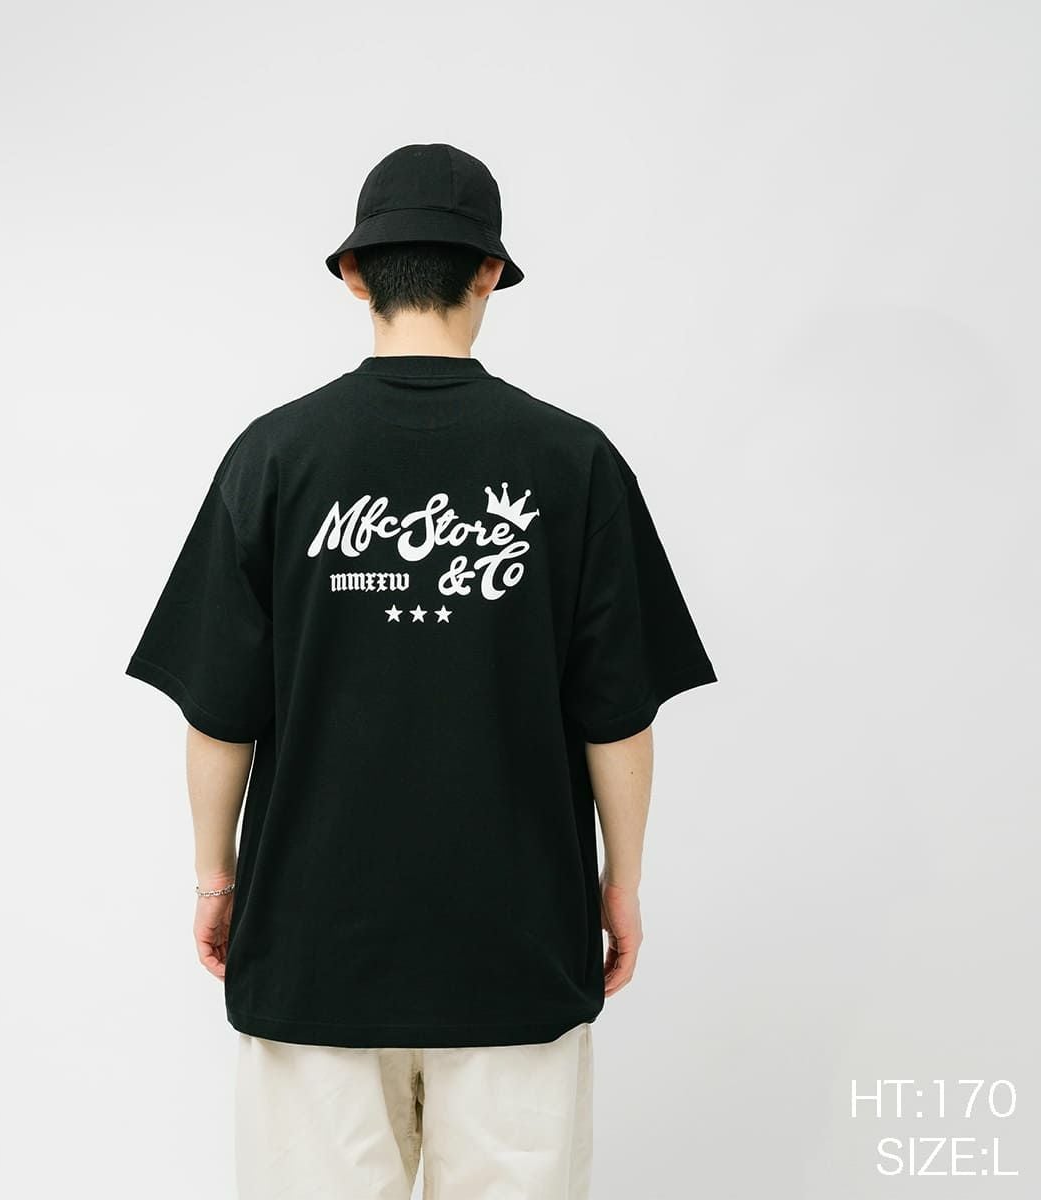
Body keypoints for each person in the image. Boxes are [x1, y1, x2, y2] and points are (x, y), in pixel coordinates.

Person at [124, 142, 718, 1200]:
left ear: (355, 274)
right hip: (516, 950)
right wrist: (619, 887)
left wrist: (218, 881)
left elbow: (219, 713)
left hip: (309, 952)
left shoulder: (274, 457)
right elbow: (618, 715)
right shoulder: (573, 462)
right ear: (489, 271)